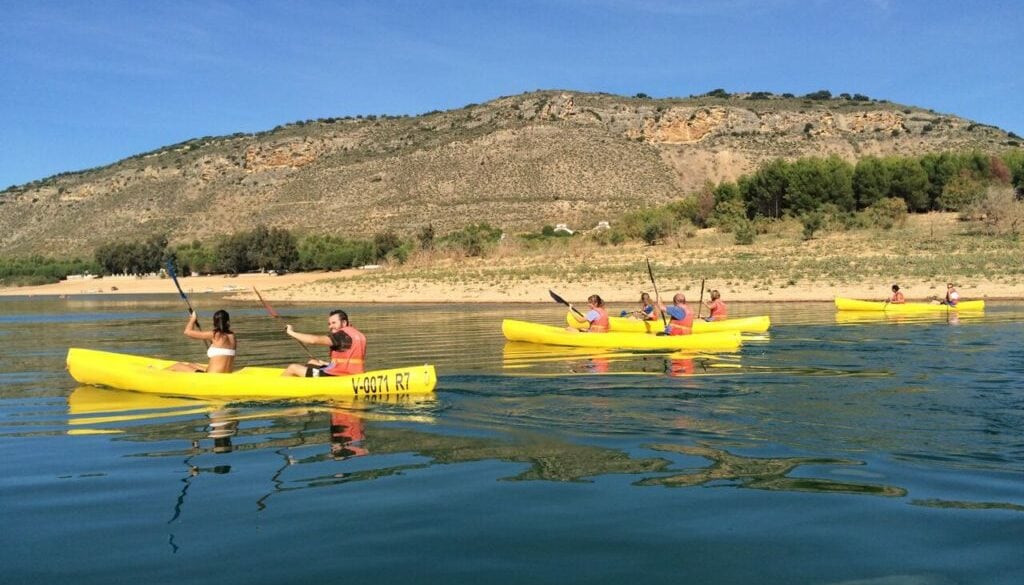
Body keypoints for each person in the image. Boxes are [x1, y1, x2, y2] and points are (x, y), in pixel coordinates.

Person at [281, 309, 366, 377]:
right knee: (312, 362)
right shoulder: (358, 334)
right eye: (329, 324)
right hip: (353, 372)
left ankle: (280, 386)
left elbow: (313, 340)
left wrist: (291, 332)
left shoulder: (341, 335)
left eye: (334, 323)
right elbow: (349, 359)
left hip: (337, 375)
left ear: (344, 322)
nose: (330, 326)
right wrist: (327, 364)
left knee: (293, 368)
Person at [167, 309, 237, 373]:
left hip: (211, 377)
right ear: (228, 322)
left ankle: (158, 376)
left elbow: (187, 332)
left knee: (178, 365)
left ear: (215, 322)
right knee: (192, 364)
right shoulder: (233, 336)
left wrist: (193, 320)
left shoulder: (214, 335)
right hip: (226, 374)